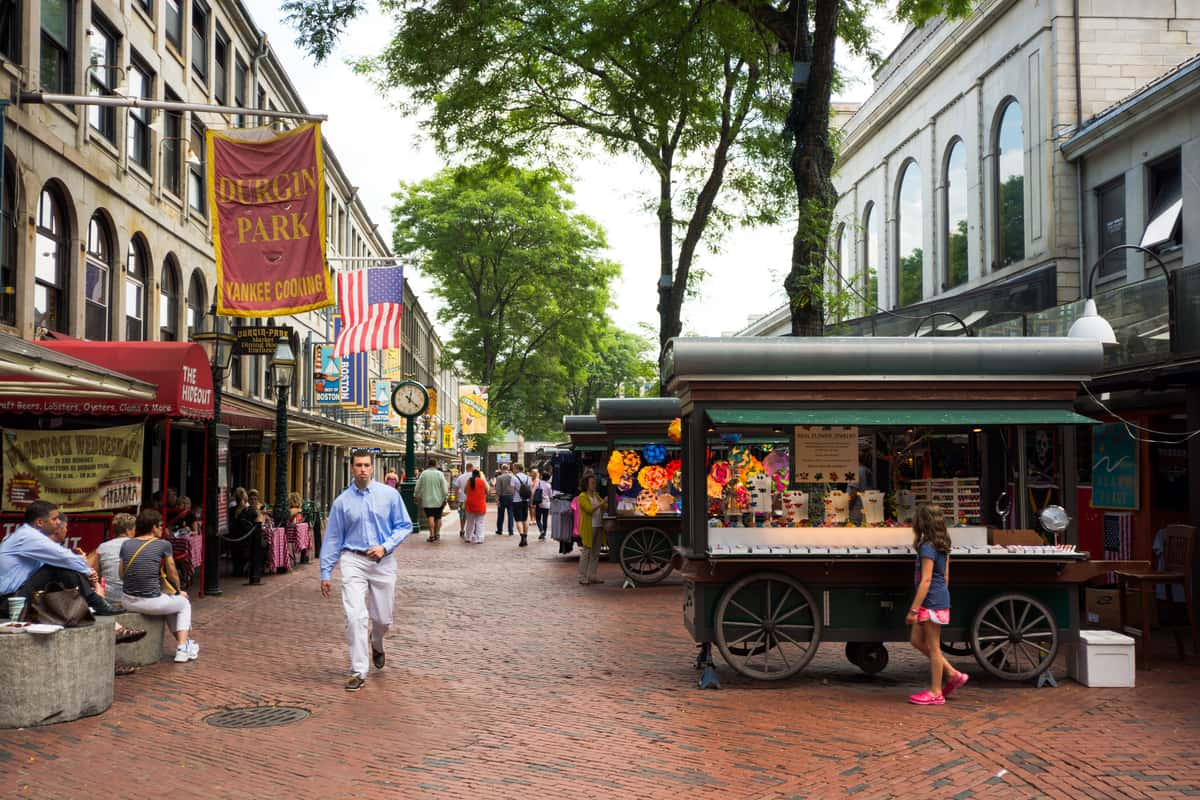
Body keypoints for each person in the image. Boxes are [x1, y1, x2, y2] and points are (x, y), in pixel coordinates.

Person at [320, 449, 413, 692]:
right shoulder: (342, 502)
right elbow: (332, 538)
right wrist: (326, 572)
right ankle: (358, 670)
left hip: (383, 561)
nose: (363, 469)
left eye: (366, 465)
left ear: (373, 468)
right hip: (353, 560)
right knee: (355, 616)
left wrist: (385, 546)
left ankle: (377, 640)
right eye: (358, 465)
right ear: (352, 468)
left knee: (383, 619)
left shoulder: (390, 495)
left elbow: (404, 525)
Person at [0, 501, 122, 616]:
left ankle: (93, 603)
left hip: (15, 598)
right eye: (54, 519)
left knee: (61, 568)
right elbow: (66, 558)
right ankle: (97, 603)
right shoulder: (28, 536)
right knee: (58, 566)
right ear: (40, 522)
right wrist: (89, 572)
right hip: (9, 602)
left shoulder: (24, 535)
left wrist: (84, 570)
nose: (59, 522)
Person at [906, 503, 968, 705]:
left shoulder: (927, 547)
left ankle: (935, 692)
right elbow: (946, 577)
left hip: (930, 601)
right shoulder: (942, 545)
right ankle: (952, 674)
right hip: (938, 598)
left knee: (933, 647)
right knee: (916, 640)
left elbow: (926, 580)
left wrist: (914, 609)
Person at [119, 509, 199, 663]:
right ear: (153, 527)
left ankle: (187, 643)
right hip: (150, 602)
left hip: (128, 601)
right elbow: (172, 573)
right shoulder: (163, 544)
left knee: (170, 605)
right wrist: (178, 590)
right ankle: (182, 648)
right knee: (184, 603)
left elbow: (121, 573)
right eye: (160, 525)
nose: (162, 529)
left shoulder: (126, 544)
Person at [89, 512, 138, 603]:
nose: (135, 532)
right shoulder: (138, 546)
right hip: (132, 599)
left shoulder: (102, 547)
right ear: (128, 530)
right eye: (134, 529)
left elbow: (95, 575)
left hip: (108, 598)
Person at [575, 473, 607, 585]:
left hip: (598, 526)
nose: (594, 485)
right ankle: (582, 576)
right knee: (587, 552)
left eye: (594, 483)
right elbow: (589, 509)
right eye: (592, 483)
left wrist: (606, 503)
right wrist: (602, 503)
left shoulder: (596, 495)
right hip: (589, 527)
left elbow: (605, 507)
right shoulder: (582, 496)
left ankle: (592, 575)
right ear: (586, 484)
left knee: (596, 552)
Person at [414, 458, 449, 542]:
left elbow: (418, 485)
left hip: (427, 500)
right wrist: (445, 497)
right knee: (438, 517)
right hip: (439, 500)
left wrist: (416, 495)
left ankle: (431, 535)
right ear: (435, 465)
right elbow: (444, 487)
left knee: (430, 516)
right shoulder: (440, 474)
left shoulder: (424, 474)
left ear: (428, 464)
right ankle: (437, 534)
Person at [462, 468, 488, 544]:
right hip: (480, 504)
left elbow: (465, 491)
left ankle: (468, 537)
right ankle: (479, 538)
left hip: (470, 504)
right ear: (479, 475)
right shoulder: (482, 481)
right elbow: (487, 491)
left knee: (470, 522)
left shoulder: (469, 481)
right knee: (480, 522)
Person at [511, 464, 533, 547]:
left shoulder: (514, 477)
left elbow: (512, 491)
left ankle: (522, 536)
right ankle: (526, 536)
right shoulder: (528, 478)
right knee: (525, 519)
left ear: (517, 468)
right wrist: (530, 501)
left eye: (513, 468)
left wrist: (512, 498)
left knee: (518, 520)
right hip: (526, 500)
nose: (513, 470)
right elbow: (530, 491)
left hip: (516, 501)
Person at [494, 464, 516, 537]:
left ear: (501, 469)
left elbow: (498, 490)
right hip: (511, 497)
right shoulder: (513, 477)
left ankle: (499, 530)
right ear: (508, 468)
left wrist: (497, 500)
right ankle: (511, 531)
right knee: (511, 514)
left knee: (500, 515)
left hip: (502, 497)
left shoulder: (499, 477)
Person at [452, 464, 474, 537]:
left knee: (462, 516)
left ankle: (462, 530)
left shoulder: (461, 477)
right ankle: (473, 530)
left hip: (462, 500)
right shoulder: (475, 477)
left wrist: (456, 498)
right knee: (473, 515)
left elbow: (456, 488)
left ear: (466, 468)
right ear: (471, 468)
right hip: (473, 500)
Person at [531, 468, 552, 541]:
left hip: (539, 503)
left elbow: (533, 492)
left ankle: (541, 530)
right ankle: (544, 533)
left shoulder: (538, 483)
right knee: (545, 519)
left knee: (538, 519)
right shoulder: (549, 485)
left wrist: (532, 501)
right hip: (547, 504)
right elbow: (551, 496)